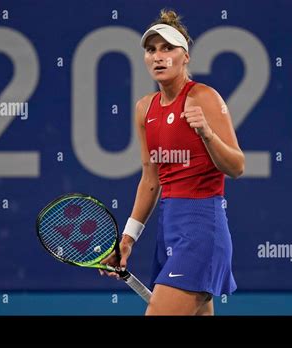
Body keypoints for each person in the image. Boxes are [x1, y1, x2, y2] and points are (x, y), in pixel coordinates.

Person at [100, 8, 245, 315]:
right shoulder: (145, 109)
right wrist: (128, 239)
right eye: (151, 50)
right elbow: (151, 180)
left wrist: (207, 133)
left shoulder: (203, 97)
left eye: (168, 48)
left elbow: (236, 167)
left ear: (185, 56)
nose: (158, 56)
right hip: (169, 229)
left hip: (203, 228)